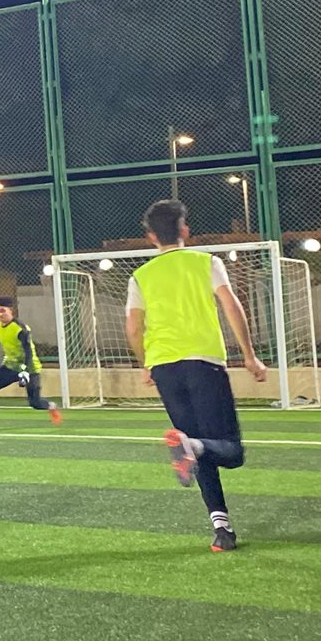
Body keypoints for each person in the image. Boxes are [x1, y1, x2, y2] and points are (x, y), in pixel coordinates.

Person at [125, 199, 267, 553]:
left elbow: (133, 328)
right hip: (204, 363)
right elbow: (231, 305)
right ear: (185, 230)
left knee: (193, 445)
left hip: (165, 368)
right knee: (231, 451)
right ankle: (194, 447)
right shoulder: (207, 262)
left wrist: (146, 364)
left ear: (151, 237)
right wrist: (249, 355)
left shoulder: (140, 276)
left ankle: (222, 530)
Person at [0, 298, 63, 430]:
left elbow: (28, 351)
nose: (0, 314)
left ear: (11, 311)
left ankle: (51, 406)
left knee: (35, 403)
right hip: (10, 366)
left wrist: (24, 370)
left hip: (30, 368)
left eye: (3, 311)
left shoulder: (20, 328)